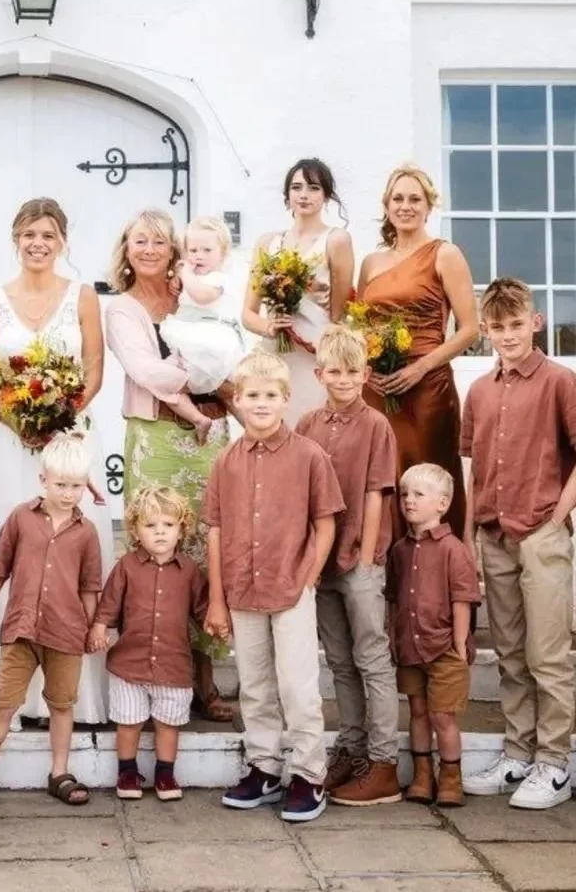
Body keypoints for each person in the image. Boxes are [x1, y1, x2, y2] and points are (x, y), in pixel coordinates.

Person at [0, 197, 111, 730]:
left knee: (71, 557)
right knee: (17, 550)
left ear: (63, 240)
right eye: (28, 235)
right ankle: (15, 695)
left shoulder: (84, 297)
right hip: (11, 444)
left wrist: (60, 417)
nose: (38, 244)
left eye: (48, 235)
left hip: (67, 439)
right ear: (14, 240)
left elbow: (93, 370)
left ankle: (75, 697)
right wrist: (21, 420)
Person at [202, 350, 344, 823]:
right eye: (252, 396)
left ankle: (308, 773)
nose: (260, 404)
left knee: (297, 685)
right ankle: (263, 767)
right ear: (237, 401)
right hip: (242, 589)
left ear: (285, 399)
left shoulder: (309, 456)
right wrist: (217, 600)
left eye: (270, 396)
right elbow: (216, 531)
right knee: (257, 685)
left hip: (289, 589)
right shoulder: (225, 461)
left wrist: (308, 575)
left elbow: (325, 522)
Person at [105, 208, 233, 723]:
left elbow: (228, 341)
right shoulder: (122, 309)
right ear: (127, 249)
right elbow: (144, 370)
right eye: (141, 241)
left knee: (206, 552)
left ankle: (204, 678)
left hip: (209, 437)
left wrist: (221, 374)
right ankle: (151, 672)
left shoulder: (194, 293)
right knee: (160, 551)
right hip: (156, 440)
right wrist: (202, 373)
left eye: (160, 241)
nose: (151, 249)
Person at [460, 278, 576, 810]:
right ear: (485, 330)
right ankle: (517, 754)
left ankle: (554, 763)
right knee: (508, 652)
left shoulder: (559, 382)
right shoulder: (479, 392)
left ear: (534, 322)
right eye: (496, 327)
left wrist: (558, 514)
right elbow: (473, 464)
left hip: (542, 532)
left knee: (547, 653)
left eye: (515, 324)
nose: (507, 335)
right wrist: (469, 529)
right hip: (494, 532)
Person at [0, 432, 102, 808]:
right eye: (61, 484)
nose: (68, 493)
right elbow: (0, 566)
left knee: (62, 704)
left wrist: (92, 625)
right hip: (21, 628)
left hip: (65, 631)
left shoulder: (88, 533)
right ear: (43, 479)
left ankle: (59, 771)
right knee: (4, 703)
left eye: (76, 486)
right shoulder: (20, 518)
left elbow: (90, 585)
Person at [295, 325, 400, 806]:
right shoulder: (308, 425)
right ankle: (352, 749)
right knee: (338, 660)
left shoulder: (376, 425)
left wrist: (366, 552)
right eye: (334, 371)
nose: (343, 379)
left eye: (352, 371)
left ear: (366, 373)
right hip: (322, 560)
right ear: (319, 374)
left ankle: (382, 763)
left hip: (359, 557)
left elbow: (377, 491)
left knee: (371, 657)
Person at [358, 165, 479, 539]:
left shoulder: (445, 254)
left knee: (430, 477)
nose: (406, 206)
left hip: (427, 388)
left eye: (415, 199)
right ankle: (390, 581)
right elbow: (359, 325)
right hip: (378, 387)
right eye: (398, 199)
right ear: (387, 205)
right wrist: (366, 368)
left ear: (429, 207)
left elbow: (470, 328)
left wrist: (421, 368)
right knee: (384, 476)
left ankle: (442, 576)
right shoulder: (371, 262)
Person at [89, 485, 207, 803]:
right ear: (135, 531)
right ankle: (127, 772)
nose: (159, 533)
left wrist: (218, 623)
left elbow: (202, 608)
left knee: (168, 724)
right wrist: (99, 627)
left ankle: (165, 774)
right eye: (150, 526)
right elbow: (110, 603)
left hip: (173, 664)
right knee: (129, 722)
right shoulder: (126, 567)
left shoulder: (190, 572)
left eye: (167, 526)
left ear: (181, 530)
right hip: (129, 664)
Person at [387, 463, 480, 808]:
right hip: (410, 647)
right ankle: (423, 775)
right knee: (418, 711)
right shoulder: (399, 551)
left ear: (442, 504)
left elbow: (462, 599)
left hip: (443, 649)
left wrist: (458, 644)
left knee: (444, 715)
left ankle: (451, 776)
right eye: (405, 494)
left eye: (418, 495)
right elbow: (394, 598)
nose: (409, 501)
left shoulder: (453, 549)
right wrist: (393, 636)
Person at [242, 158, 354, 426]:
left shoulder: (336, 240)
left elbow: (339, 315)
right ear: (287, 195)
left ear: (326, 195)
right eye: (296, 187)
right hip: (276, 352)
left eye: (314, 188)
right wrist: (269, 326)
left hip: (315, 349)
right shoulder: (267, 244)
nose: (304, 195)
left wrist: (309, 289)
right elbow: (248, 313)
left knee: (313, 425)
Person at [159, 216, 247, 442]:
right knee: (168, 380)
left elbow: (202, 296)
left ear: (223, 253)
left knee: (228, 391)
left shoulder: (219, 279)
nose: (198, 256)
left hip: (210, 341)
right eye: (193, 250)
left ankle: (256, 429)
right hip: (191, 339)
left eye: (207, 250)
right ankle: (198, 418)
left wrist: (185, 274)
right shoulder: (191, 278)